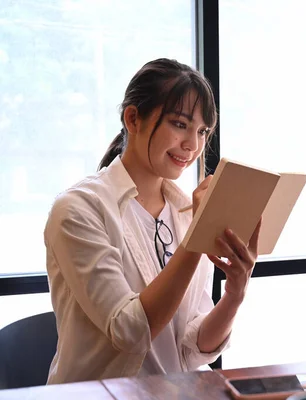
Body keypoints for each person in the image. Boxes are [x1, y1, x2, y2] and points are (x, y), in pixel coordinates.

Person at [43, 58, 260, 384]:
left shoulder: (185, 212)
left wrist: (235, 294)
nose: (193, 145)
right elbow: (129, 332)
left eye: (202, 131)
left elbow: (191, 349)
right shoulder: (78, 209)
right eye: (179, 124)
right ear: (133, 118)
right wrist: (197, 237)